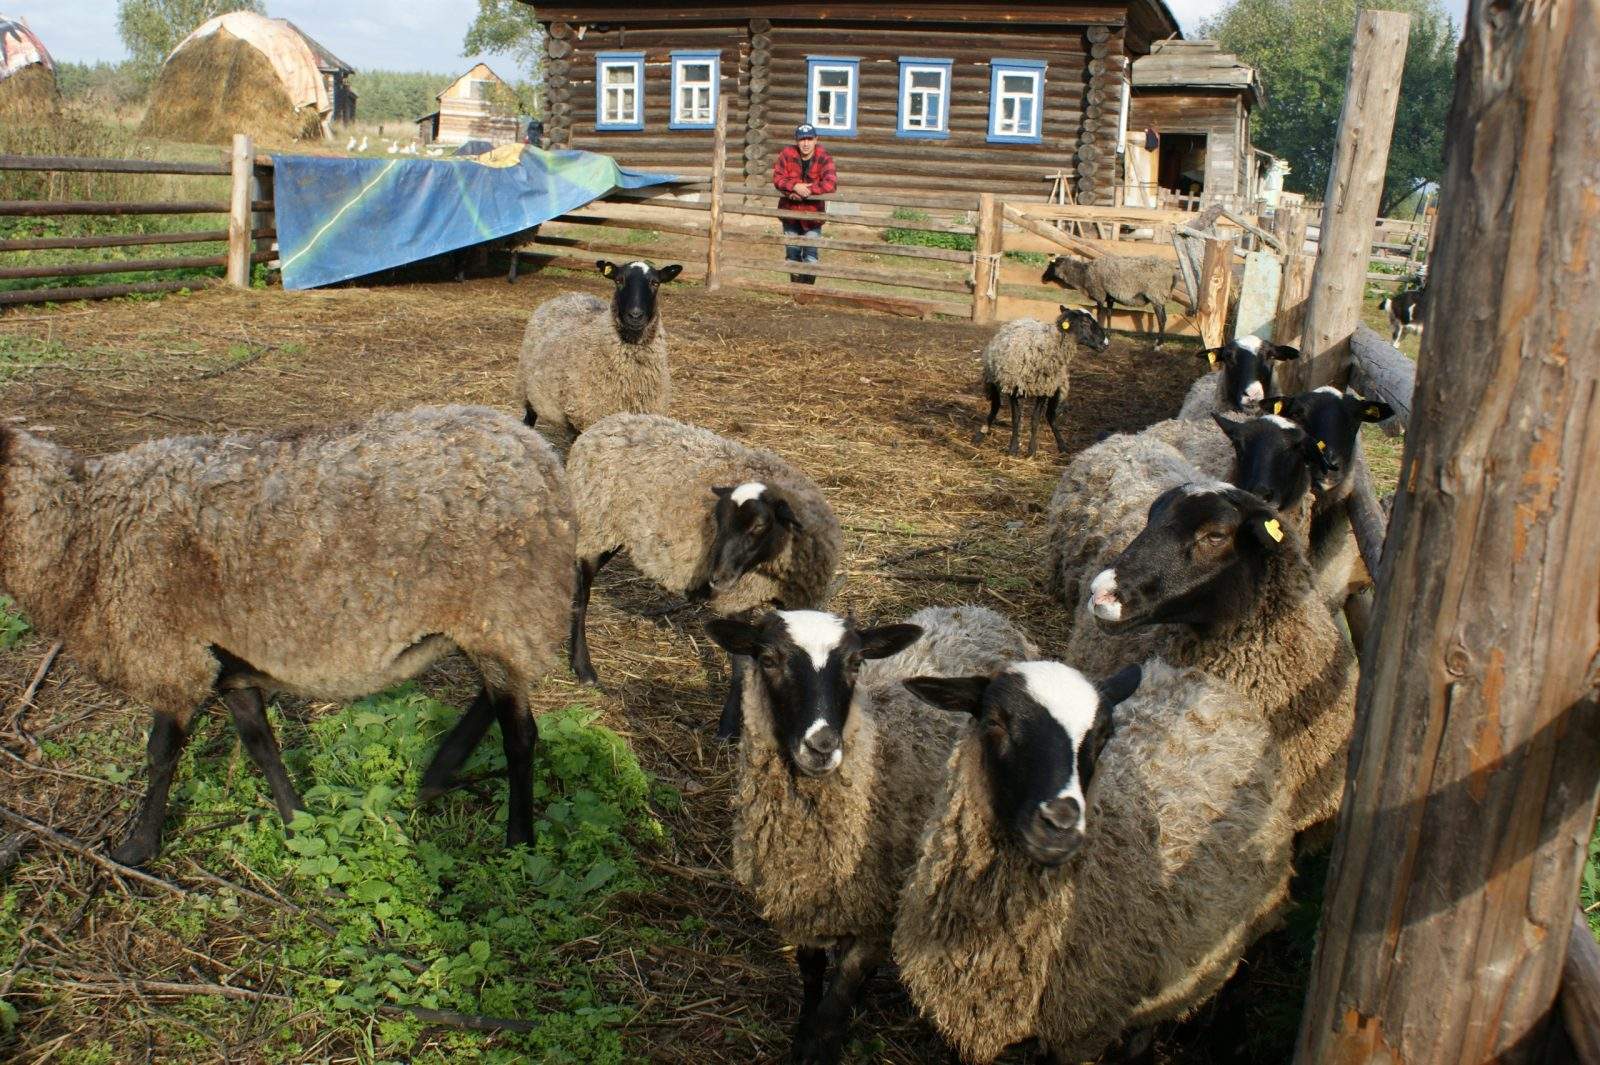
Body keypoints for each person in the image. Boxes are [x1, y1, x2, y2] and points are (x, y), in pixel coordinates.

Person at [771, 123, 837, 284]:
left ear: (816, 139)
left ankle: (807, 292)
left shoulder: (824, 157)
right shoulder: (787, 154)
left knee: (811, 254)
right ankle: (795, 290)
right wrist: (794, 186)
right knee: (792, 253)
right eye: (802, 140)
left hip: (812, 215)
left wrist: (807, 190)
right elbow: (777, 178)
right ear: (796, 140)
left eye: (809, 139)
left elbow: (831, 183)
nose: (805, 143)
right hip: (790, 213)